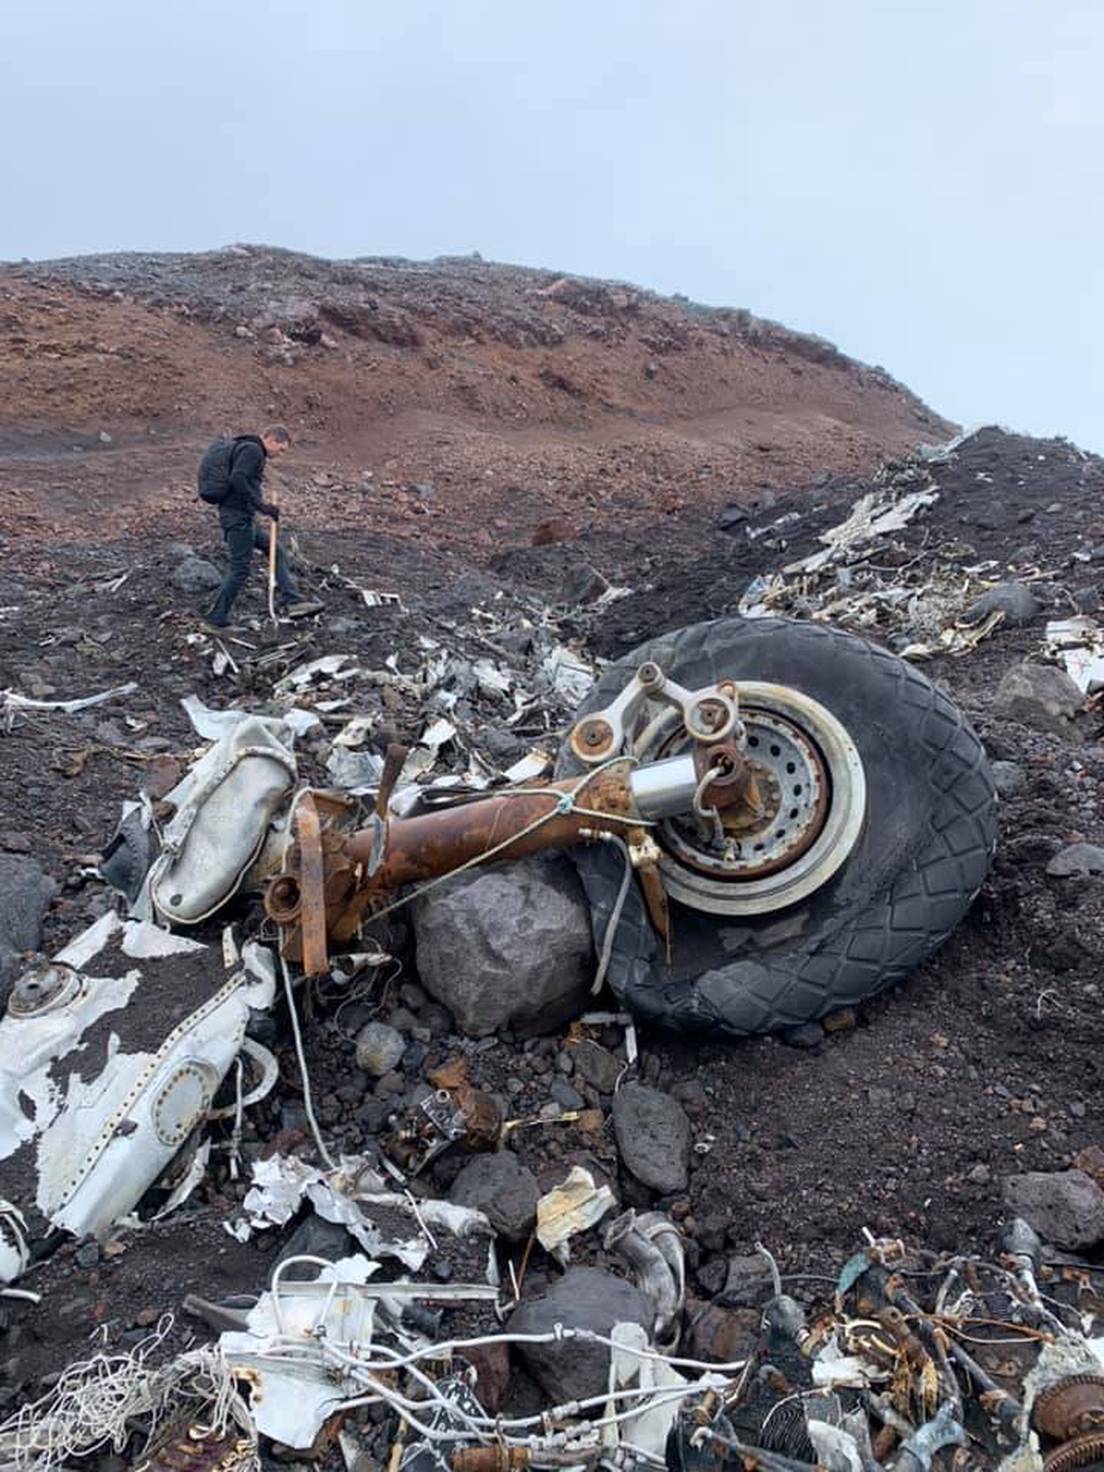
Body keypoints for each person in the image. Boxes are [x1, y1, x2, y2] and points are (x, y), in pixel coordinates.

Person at [204, 425, 307, 628]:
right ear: (272, 440)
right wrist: (263, 507)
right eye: (281, 449)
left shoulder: (247, 448)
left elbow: (241, 480)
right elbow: (238, 478)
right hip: (237, 517)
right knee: (240, 568)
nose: (280, 454)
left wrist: (261, 508)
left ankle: (290, 597)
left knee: (274, 549)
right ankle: (217, 616)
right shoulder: (253, 450)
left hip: (243, 516)